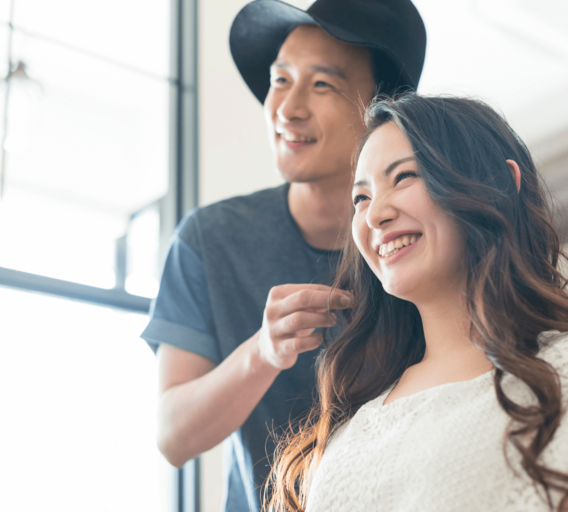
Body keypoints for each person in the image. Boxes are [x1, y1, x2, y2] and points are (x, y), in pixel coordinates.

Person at [265, 94, 568, 512]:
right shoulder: (355, 416)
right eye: (361, 198)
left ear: (501, 185)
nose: (375, 215)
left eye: (404, 177)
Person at [141, 1, 427, 511]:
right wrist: (262, 352)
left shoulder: (420, 242)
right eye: (280, 79)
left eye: (322, 85)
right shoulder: (209, 240)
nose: (287, 108)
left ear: (381, 109)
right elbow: (172, 436)